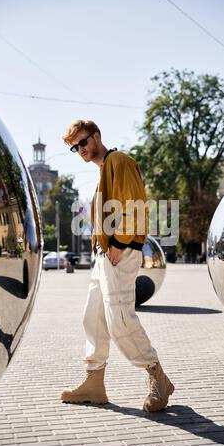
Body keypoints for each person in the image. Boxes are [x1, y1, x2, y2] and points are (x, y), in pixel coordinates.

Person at [61, 120, 174, 412]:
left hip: (119, 253)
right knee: (94, 318)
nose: (80, 150)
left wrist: (120, 244)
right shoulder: (104, 169)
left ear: (97, 136)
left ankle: (157, 376)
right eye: (74, 148)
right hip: (105, 256)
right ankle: (94, 383)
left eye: (82, 143)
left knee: (120, 319)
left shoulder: (119, 161)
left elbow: (134, 204)